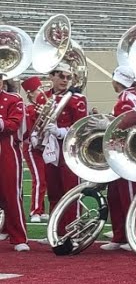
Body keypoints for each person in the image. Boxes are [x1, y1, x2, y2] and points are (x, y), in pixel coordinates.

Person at [38, 63, 88, 237]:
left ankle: (73, 231)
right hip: (50, 150)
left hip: (69, 151)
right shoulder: (45, 98)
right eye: (61, 76)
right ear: (51, 77)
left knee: (71, 192)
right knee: (54, 192)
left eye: (68, 77)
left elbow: (82, 128)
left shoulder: (76, 99)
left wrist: (60, 132)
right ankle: (56, 230)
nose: (65, 80)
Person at [103, 66, 136, 251]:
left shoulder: (126, 99)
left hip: (126, 152)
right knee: (115, 195)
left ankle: (135, 235)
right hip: (124, 151)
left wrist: (107, 123)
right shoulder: (129, 97)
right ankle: (120, 235)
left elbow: (125, 125)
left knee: (129, 195)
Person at [0, 77, 29, 251]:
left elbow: (15, 124)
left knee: (11, 194)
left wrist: (1, 123)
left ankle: (18, 238)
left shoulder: (13, 99)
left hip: (6, 151)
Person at [19, 76, 48, 222]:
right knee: (39, 179)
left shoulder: (43, 105)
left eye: (41, 88)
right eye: (37, 90)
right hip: (31, 147)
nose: (41, 92)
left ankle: (41, 209)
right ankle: (35, 211)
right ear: (30, 93)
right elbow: (28, 131)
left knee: (45, 179)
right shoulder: (29, 108)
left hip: (44, 147)